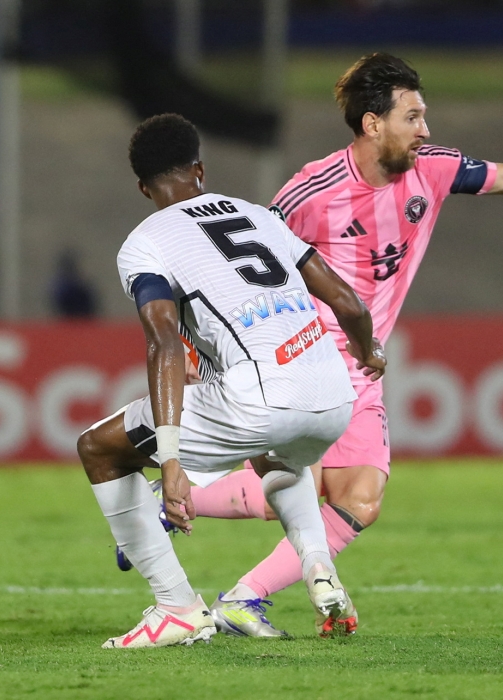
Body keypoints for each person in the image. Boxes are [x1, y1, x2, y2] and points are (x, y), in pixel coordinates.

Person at [181, 53, 503, 636]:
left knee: (358, 500)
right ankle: (193, 529)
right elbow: (243, 265)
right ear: (374, 124)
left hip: (362, 366)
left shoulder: (433, 170)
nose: (426, 130)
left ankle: (233, 586)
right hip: (305, 360)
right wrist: (205, 346)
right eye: (413, 117)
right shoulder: (312, 190)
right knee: (297, 492)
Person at [77, 113, 386, 648]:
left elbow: (165, 343)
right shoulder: (257, 216)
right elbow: (347, 302)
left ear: (143, 187)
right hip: (335, 395)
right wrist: (369, 352)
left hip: (260, 397)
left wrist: (171, 461)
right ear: (200, 169)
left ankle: (175, 608)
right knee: (278, 456)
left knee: (99, 449)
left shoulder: (145, 242)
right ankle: (318, 567)